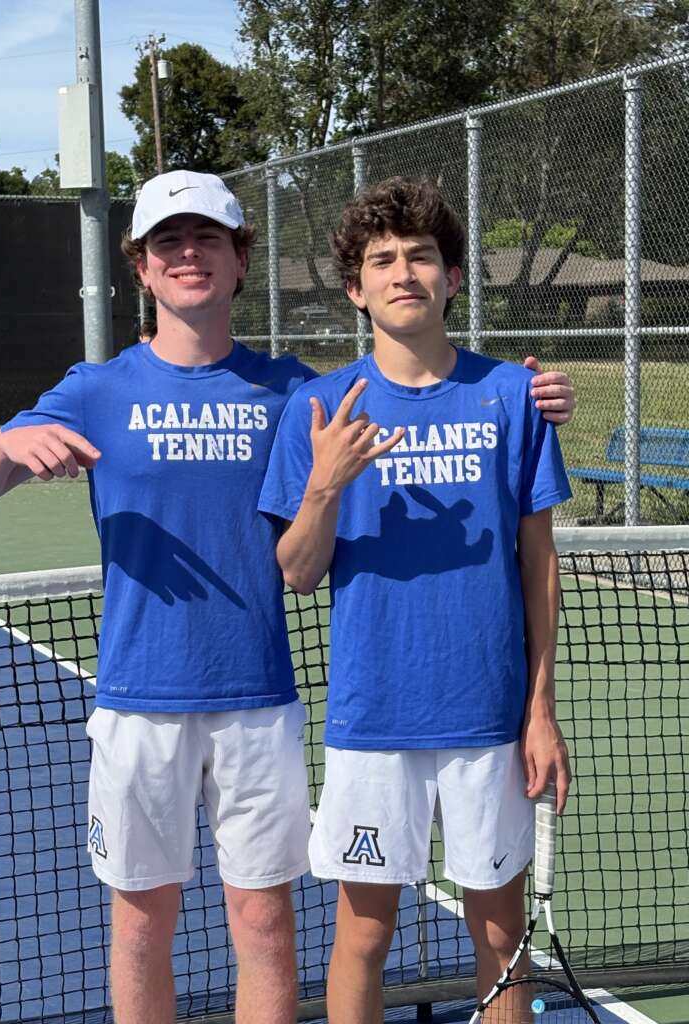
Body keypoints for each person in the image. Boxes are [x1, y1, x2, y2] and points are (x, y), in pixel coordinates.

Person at [0, 170, 574, 1024]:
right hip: (141, 703)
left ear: (242, 259)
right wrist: (16, 443)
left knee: (267, 925)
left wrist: (535, 392)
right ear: (140, 266)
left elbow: (412, 383)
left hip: (264, 705)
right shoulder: (96, 389)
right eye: (168, 241)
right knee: (141, 925)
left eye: (207, 239)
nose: (188, 255)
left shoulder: (297, 391)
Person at [258, 176, 573, 1023]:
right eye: (382, 260)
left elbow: (538, 563)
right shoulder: (317, 407)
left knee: (501, 936)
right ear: (356, 289)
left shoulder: (512, 395)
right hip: (374, 720)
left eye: (422, 256)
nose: (404, 272)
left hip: (489, 721)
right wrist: (324, 485)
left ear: (453, 278)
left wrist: (539, 711)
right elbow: (295, 570)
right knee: (363, 935)